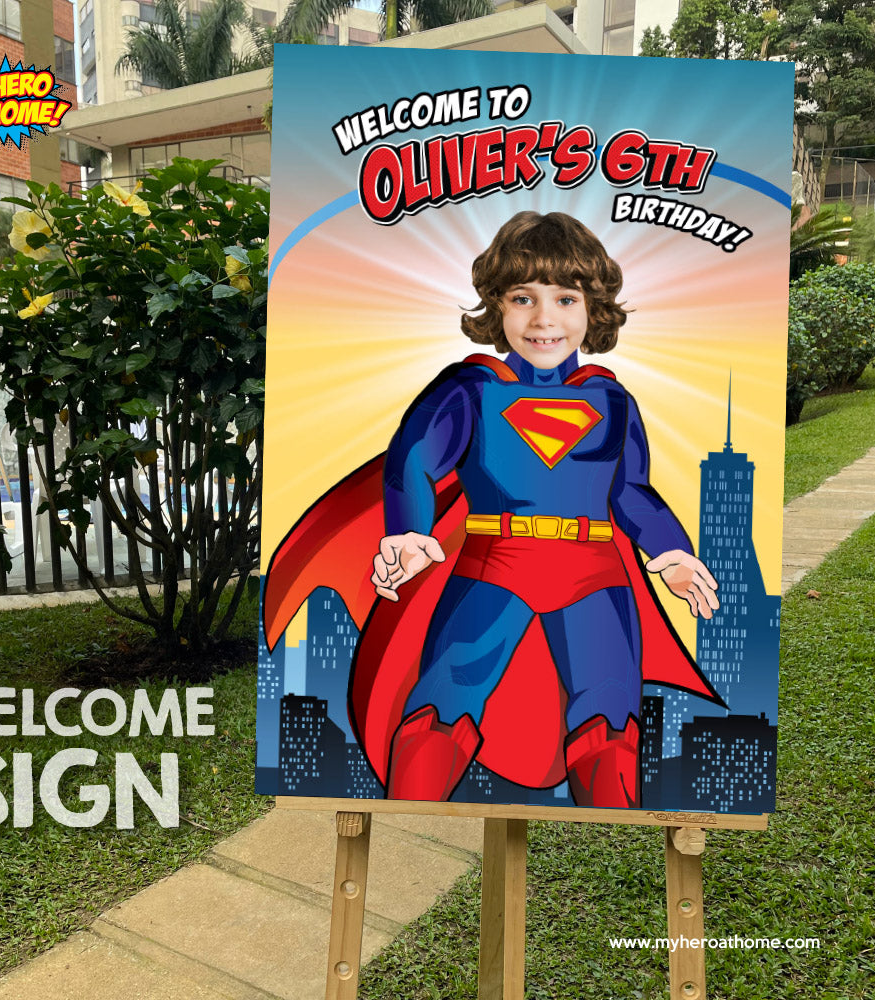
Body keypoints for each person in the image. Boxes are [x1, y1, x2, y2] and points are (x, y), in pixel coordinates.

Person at [264, 211, 721, 808]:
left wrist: (672, 551)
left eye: (565, 298)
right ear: (497, 307)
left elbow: (631, 492)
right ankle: (410, 820)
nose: (544, 318)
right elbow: (414, 460)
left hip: (595, 574)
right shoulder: (471, 388)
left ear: (593, 309)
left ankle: (612, 848)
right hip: (494, 566)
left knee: (609, 718)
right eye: (523, 298)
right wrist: (408, 532)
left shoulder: (610, 399)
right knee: (442, 706)